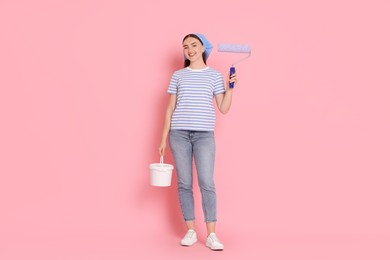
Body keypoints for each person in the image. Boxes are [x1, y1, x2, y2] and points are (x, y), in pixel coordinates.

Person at [158, 33, 236, 251]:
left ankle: (212, 235)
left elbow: (224, 108)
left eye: (194, 45)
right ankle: (190, 230)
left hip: (204, 136)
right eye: (185, 47)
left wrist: (231, 89)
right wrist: (163, 137)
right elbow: (170, 108)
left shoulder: (214, 76)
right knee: (184, 183)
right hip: (178, 134)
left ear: (203, 48)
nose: (189, 49)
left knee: (207, 183)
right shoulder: (178, 76)